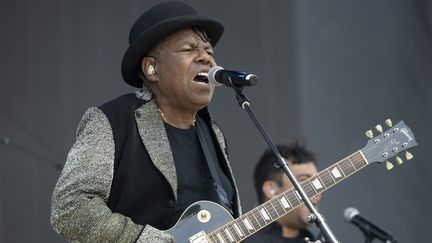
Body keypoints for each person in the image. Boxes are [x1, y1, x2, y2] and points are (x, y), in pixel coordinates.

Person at [50, 1, 241, 242]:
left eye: (209, 52)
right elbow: (69, 208)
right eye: (189, 49)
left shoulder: (213, 134)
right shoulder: (112, 121)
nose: (207, 60)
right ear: (152, 69)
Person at [245, 142, 321, 243]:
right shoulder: (246, 238)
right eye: (304, 180)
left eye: (317, 182)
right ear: (271, 189)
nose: (317, 191)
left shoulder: (310, 238)